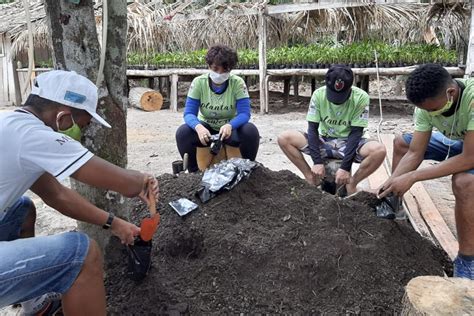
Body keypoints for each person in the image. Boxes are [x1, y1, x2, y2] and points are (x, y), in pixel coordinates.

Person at [0, 70, 159, 315]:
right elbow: (127, 184)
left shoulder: (12, 126)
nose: (81, 133)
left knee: (22, 209)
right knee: (81, 254)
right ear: (62, 116)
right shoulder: (34, 136)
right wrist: (143, 181)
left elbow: (56, 194)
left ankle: (35, 306)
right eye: (82, 125)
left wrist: (115, 224)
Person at [379, 64, 474, 280]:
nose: (429, 113)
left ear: (451, 93)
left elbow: (470, 157)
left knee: (464, 182)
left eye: (432, 110)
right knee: (401, 143)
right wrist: (392, 182)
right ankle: (392, 201)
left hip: (472, 148)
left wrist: (413, 176)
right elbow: (414, 152)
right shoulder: (425, 105)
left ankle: (468, 260)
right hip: (461, 141)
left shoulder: (472, 100)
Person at [278, 65, 386, 195]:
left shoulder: (361, 97)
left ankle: (352, 183)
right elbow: (312, 130)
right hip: (324, 140)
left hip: (348, 142)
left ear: (350, 87)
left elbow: (356, 133)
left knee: (379, 150)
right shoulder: (318, 94)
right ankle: (310, 177)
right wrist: (317, 162)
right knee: (284, 138)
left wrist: (345, 168)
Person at [175, 44, 260, 172]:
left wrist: (230, 125)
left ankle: (248, 169)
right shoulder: (199, 83)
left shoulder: (237, 83)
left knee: (250, 131)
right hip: (206, 127)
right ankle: (194, 172)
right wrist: (199, 127)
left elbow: (244, 114)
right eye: (215, 69)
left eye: (224, 70)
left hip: (230, 129)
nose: (219, 73)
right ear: (209, 66)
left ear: (230, 69)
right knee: (183, 132)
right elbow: (189, 114)